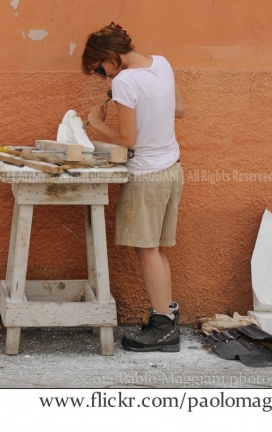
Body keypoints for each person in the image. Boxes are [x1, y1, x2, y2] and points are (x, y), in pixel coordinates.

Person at [81, 22, 185, 352]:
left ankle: (163, 327)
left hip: (146, 176)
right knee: (156, 249)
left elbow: (128, 140)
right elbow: (179, 110)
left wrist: (97, 124)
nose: (104, 77)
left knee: (148, 251)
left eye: (100, 70)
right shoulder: (163, 63)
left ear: (111, 58)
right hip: (171, 169)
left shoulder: (126, 80)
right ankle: (166, 316)